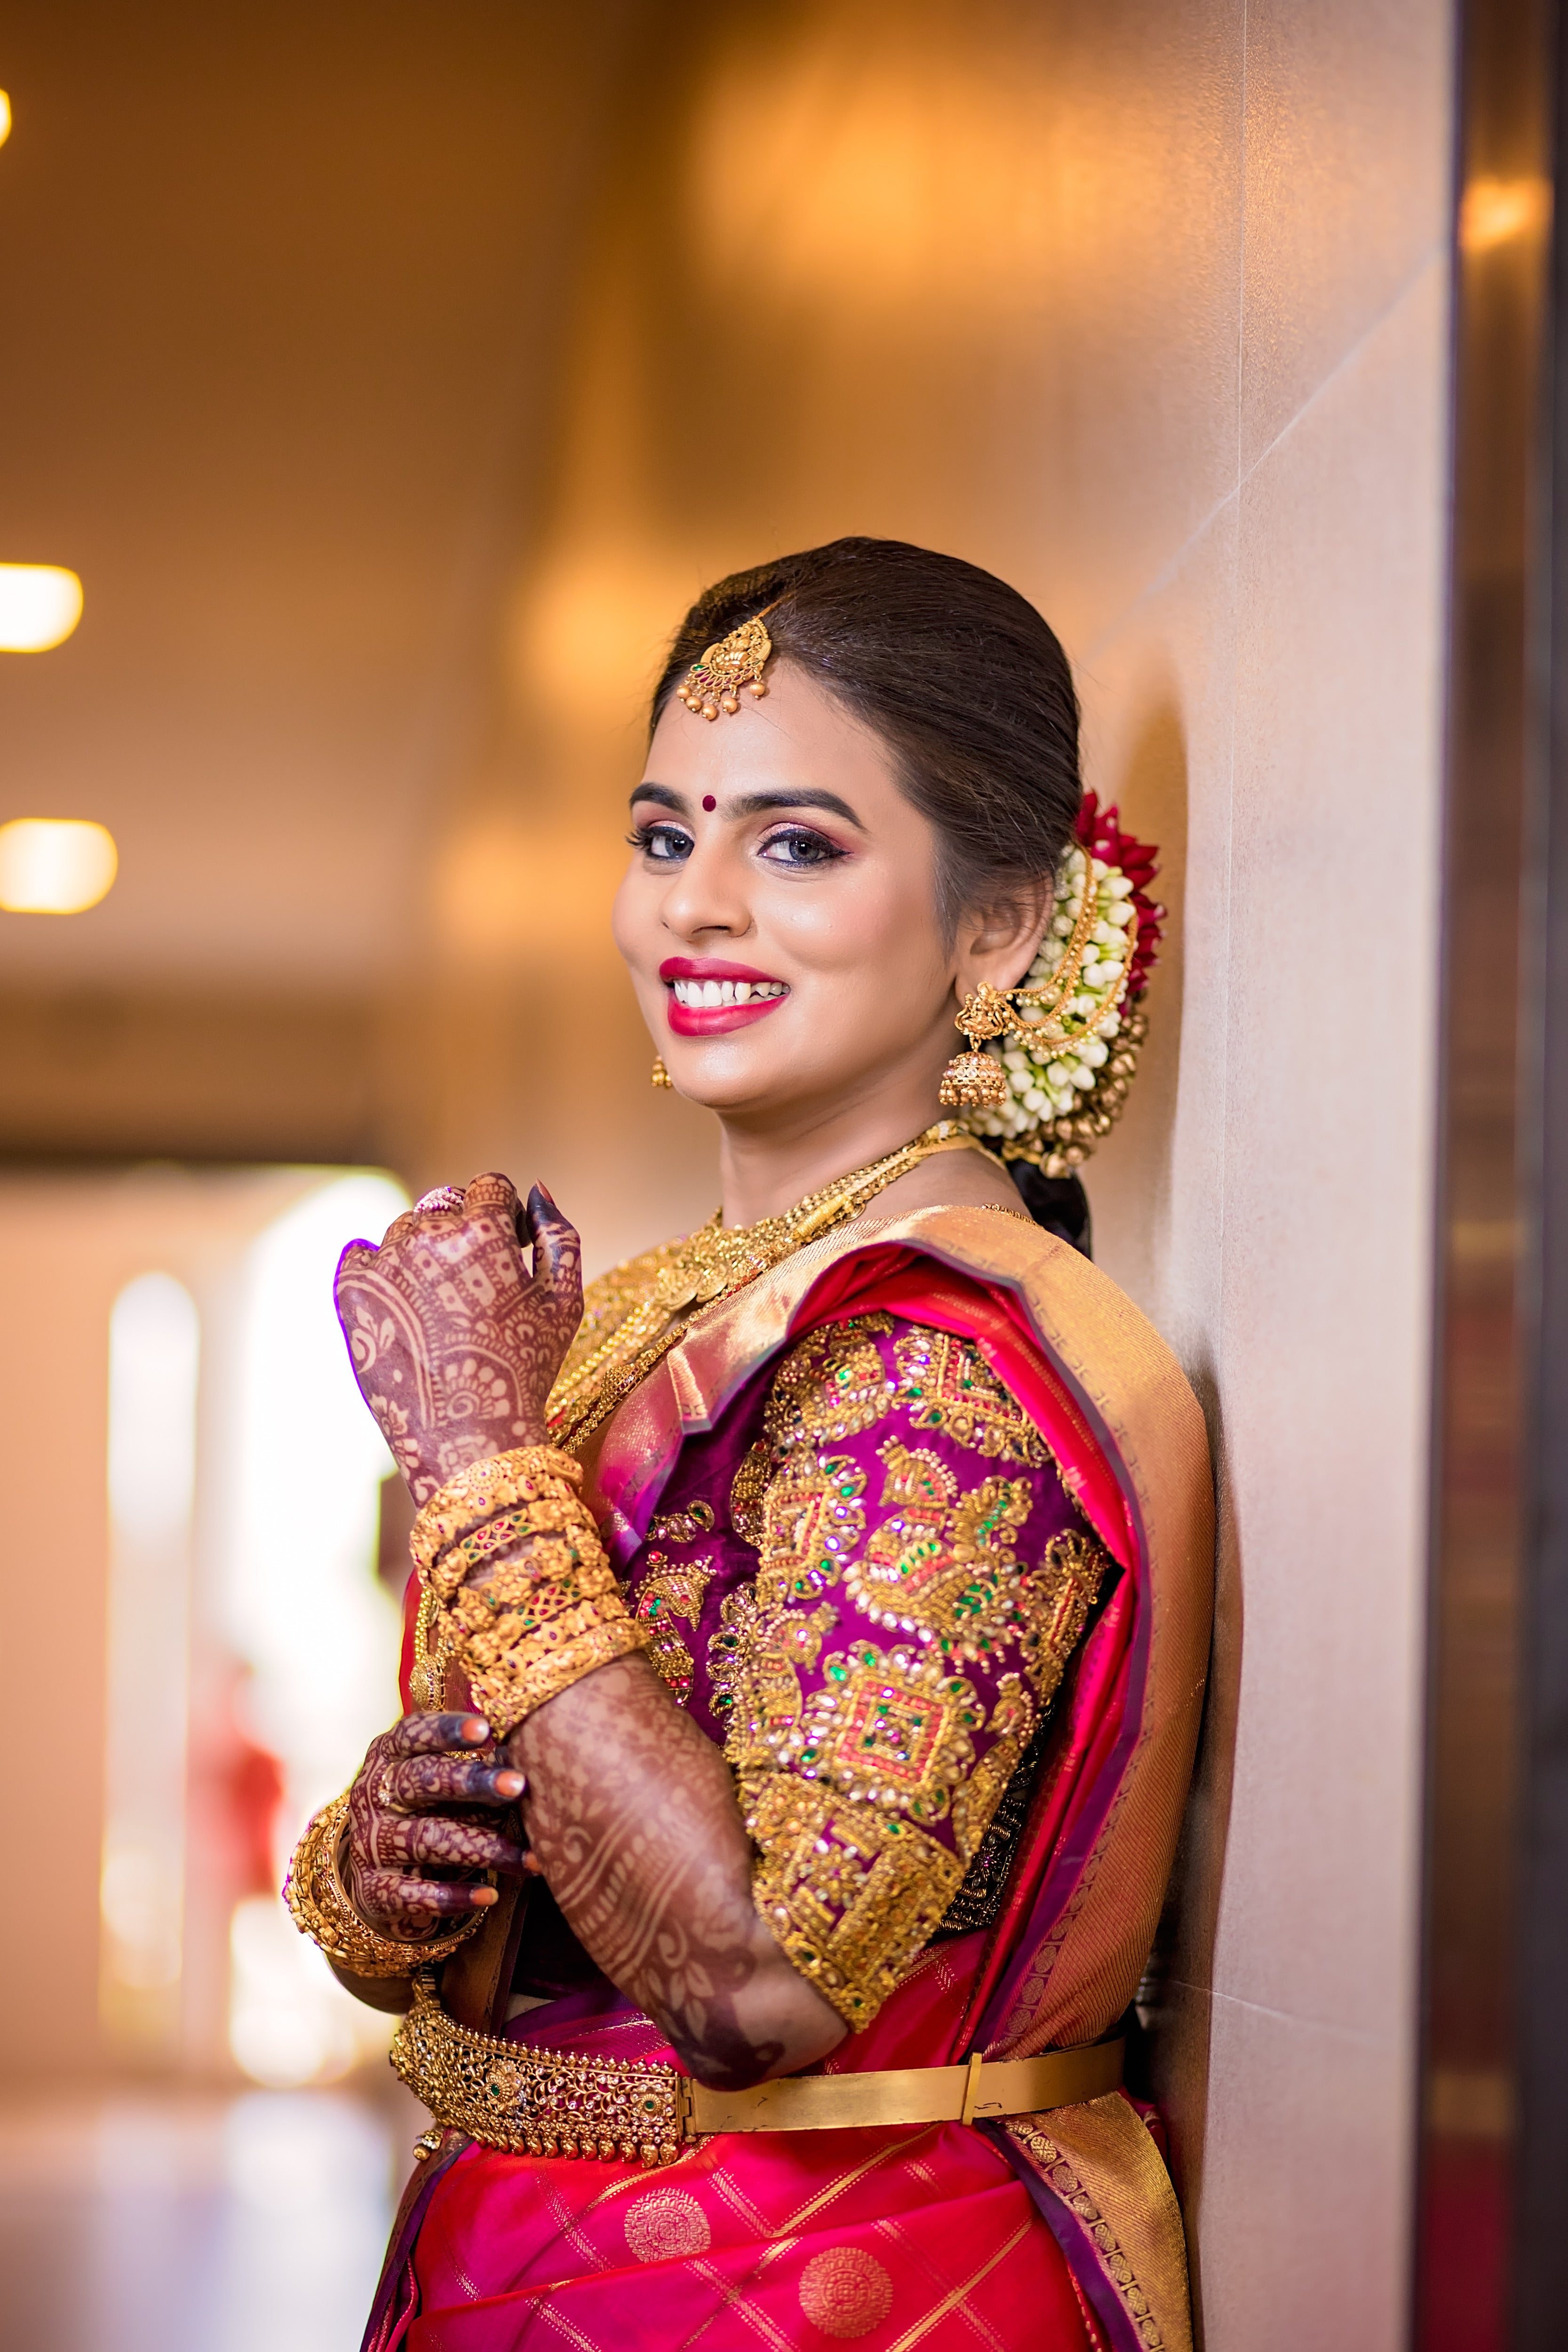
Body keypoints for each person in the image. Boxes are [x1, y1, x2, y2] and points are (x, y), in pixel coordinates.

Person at [286, 538, 1213, 2352]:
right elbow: (536, 1836)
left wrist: (479, 1455)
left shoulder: (944, 1366)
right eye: (662, 836)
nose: (695, 906)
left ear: (999, 924)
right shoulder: (673, 1314)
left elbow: (757, 1985)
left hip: (840, 2285)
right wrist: (389, 1858)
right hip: (555, 2269)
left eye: (796, 844)